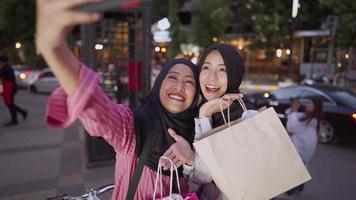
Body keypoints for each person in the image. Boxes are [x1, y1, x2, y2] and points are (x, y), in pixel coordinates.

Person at [36, 0, 200, 199]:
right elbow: (98, 110)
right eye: (172, 77)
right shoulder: (132, 127)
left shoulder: (199, 135)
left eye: (189, 82)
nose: (180, 86)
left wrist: (191, 160)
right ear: (158, 87)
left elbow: (204, 187)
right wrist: (55, 49)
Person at [160, 44, 252, 199]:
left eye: (222, 69)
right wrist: (190, 161)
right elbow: (197, 180)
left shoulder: (246, 117)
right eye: (206, 67)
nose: (212, 77)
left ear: (234, 73)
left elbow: (207, 175)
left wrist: (205, 116)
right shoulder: (197, 111)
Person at [284, 97, 324, 196]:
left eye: (309, 103)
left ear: (315, 107)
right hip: (304, 151)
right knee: (300, 168)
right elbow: (294, 115)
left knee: (293, 171)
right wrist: (294, 110)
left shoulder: (308, 120)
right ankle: (299, 187)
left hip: (300, 150)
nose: (306, 105)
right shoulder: (311, 119)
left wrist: (294, 110)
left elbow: (291, 127)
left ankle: (290, 192)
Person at [0, 53, 28, 127]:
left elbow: (2, 81)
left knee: (10, 104)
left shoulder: (4, 68)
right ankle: (22, 113)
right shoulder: (8, 67)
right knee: (10, 104)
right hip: (11, 88)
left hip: (9, 89)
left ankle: (15, 119)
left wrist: (1, 90)